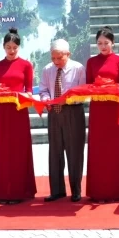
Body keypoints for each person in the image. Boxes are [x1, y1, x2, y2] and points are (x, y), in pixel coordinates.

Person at [0, 28, 36, 204]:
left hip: (19, 112)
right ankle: (2, 191)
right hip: (2, 112)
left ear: (19, 47)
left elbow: (30, 90)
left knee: (18, 150)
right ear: (3, 47)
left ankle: (18, 191)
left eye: (15, 47)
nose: (11, 50)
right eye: (8, 47)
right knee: (2, 150)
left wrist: (27, 96)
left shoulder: (26, 65)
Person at [85, 27, 119, 203]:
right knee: (98, 148)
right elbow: (88, 84)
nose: (103, 46)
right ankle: (98, 190)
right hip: (97, 109)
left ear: (113, 43)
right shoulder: (91, 62)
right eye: (99, 43)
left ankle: (116, 190)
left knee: (114, 148)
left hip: (113, 109)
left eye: (106, 43)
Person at [39, 38, 86, 203]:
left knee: (74, 152)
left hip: (73, 111)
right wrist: (46, 99)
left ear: (68, 54)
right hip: (54, 113)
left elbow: (83, 93)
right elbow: (43, 89)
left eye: (60, 58)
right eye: (53, 58)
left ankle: (76, 190)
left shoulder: (78, 68)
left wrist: (67, 100)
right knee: (55, 152)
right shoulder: (47, 70)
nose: (56, 61)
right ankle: (57, 190)